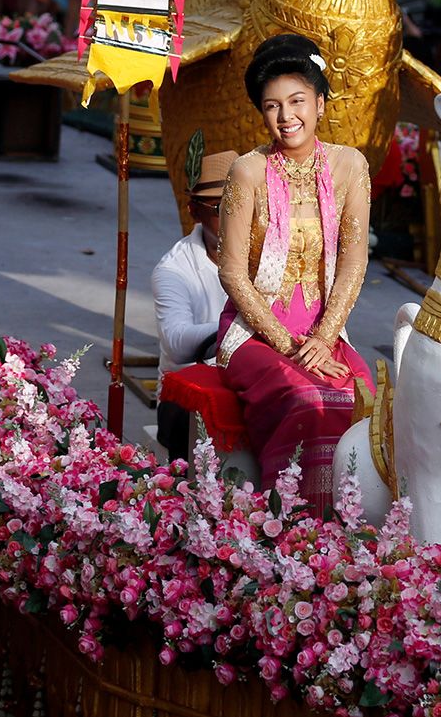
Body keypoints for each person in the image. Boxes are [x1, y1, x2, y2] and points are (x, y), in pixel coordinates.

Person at [214, 35, 375, 511]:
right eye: (272, 106)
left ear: (320, 103)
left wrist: (323, 339)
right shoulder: (247, 171)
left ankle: (348, 530)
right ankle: (291, 524)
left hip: (322, 333)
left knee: (364, 399)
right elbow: (231, 272)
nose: (286, 116)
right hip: (255, 334)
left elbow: (354, 260)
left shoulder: (350, 166)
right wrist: (288, 346)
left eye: (297, 101)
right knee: (306, 396)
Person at [152, 151, 234, 461]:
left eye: (242, 205)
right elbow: (176, 343)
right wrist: (240, 327)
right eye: (221, 208)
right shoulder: (174, 269)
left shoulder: (270, 253)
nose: (235, 217)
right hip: (191, 393)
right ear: (194, 211)